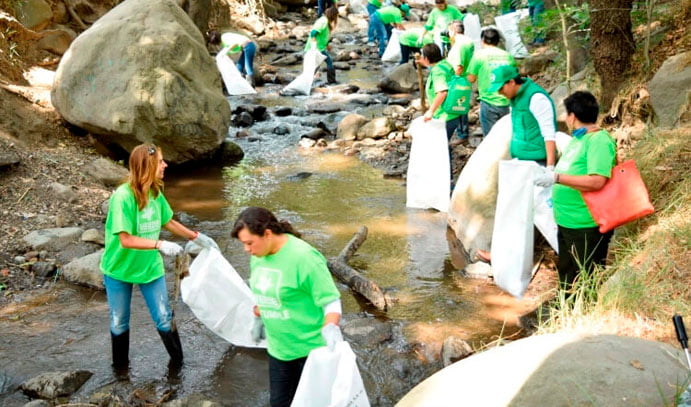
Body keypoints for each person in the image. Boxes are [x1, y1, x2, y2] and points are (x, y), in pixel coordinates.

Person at [100, 144, 220, 375]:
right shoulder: (123, 197)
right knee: (119, 322)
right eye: (161, 162)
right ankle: (120, 373)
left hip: (149, 269)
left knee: (165, 318)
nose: (165, 165)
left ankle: (178, 369)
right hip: (118, 269)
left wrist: (198, 236)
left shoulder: (155, 192)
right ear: (147, 165)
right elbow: (125, 239)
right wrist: (160, 244)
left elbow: (168, 221)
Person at [231, 207, 343, 407]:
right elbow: (268, 292)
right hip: (279, 350)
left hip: (310, 352)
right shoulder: (258, 256)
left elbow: (330, 300)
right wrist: (259, 315)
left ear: (267, 234)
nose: (246, 249)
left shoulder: (304, 258)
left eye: (249, 243)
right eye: (243, 244)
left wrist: (331, 327)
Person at [534, 91, 616, 288]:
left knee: (586, 276)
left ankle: (584, 312)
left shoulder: (599, 141)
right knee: (568, 272)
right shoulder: (578, 140)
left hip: (586, 224)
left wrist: (557, 177)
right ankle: (567, 311)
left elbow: (597, 181)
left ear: (572, 117)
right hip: (568, 222)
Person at [418, 43, 470, 180]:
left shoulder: (437, 71)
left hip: (444, 115)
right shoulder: (445, 64)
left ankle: (444, 181)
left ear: (427, 58)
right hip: (452, 113)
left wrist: (430, 111)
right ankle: (445, 178)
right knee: (441, 146)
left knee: (439, 148)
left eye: (422, 56)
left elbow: (442, 92)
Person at [488, 65, 557, 167]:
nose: (500, 92)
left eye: (501, 88)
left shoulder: (536, 98)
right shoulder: (514, 98)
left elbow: (549, 133)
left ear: (511, 82)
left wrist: (550, 168)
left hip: (537, 160)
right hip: (520, 158)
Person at [466, 27, 517, 137]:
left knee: (490, 137)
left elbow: (471, 79)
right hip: (507, 101)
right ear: (498, 42)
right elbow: (514, 78)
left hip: (488, 100)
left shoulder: (479, 55)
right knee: (507, 135)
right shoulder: (508, 56)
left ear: (482, 40)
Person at [445, 20, 474, 139]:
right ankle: (462, 132)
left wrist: (451, 83)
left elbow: (458, 66)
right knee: (462, 105)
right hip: (466, 78)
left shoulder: (459, 45)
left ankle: (462, 134)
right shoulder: (468, 41)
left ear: (452, 31)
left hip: (458, 79)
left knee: (458, 107)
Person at [306, 6, 339, 84]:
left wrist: (327, 45)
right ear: (333, 15)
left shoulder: (325, 21)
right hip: (316, 48)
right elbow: (313, 33)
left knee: (317, 65)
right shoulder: (323, 21)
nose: (336, 18)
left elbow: (323, 36)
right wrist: (314, 45)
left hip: (320, 48)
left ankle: (308, 81)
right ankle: (331, 82)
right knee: (327, 62)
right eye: (336, 16)